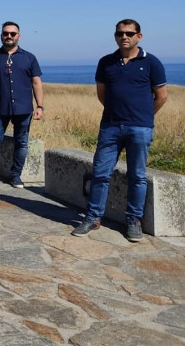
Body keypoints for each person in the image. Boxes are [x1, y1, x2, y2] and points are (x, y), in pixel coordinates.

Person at [72, 19, 168, 242]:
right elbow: (102, 94)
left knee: (137, 176)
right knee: (100, 174)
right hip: (110, 127)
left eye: (129, 33)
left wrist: (144, 116)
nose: (124, 37)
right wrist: (117, 113)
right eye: (119, 33)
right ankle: (93, 217)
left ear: (139, 36)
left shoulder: (152, 62)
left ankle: (133, 220)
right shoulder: (106, 62)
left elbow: (161, 96)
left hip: (140, 128)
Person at [0, 22, 44, 189]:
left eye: (12, 33)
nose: (9, 36)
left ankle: (16, 176)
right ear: (1, 35)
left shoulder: (29, 57)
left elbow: (36, 82)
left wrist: (40, 106)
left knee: (22, 142)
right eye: (5, 33)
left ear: (18, 36)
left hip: (23, 109)